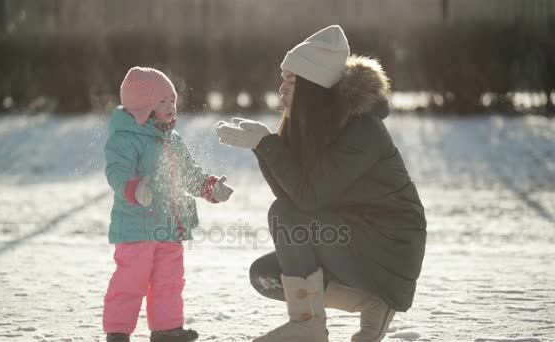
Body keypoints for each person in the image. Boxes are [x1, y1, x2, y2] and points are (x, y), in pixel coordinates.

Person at [215, 25, 426, 342]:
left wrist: (268, 145)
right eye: (282, 80)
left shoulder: (362, 131)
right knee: (267, 276)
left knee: (284, 217)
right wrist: (262, 145)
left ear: (313, 88)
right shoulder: (318, 126)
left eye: (291, 82)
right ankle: (372, 302)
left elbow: (305, 200)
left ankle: (308, 326)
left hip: (389, 246)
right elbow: (293, 196)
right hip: (351, 236)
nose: (281, 90)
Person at [103, 66, 234, 342]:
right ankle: (117, 332)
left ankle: (167, 329)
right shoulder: (126, 138)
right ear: (143, 107)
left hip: (169, 227)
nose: (171, 107)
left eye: (172, 100)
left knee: (170, 280)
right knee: (131, 280)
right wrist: (134, 188)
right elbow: (117, 171)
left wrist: (210, 187)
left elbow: (188, 175)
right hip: (136, 227)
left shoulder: (172, 140)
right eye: (162, 101)